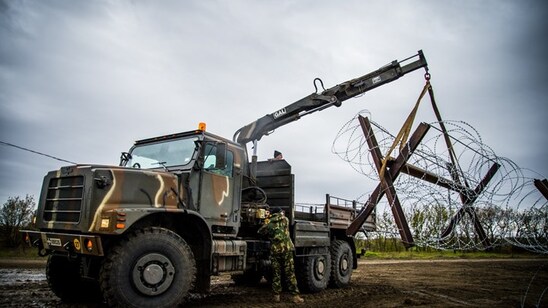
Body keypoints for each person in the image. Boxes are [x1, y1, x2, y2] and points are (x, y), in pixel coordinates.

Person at [258, 207, 304, 304]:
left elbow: (260, 232)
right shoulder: (285, 220)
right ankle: (295, 296)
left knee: (276, 273)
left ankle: (276, 296)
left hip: (275, 251)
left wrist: (267, 220)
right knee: (290, 273)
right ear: (280, 213)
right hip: (286, 250)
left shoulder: (269, 223)